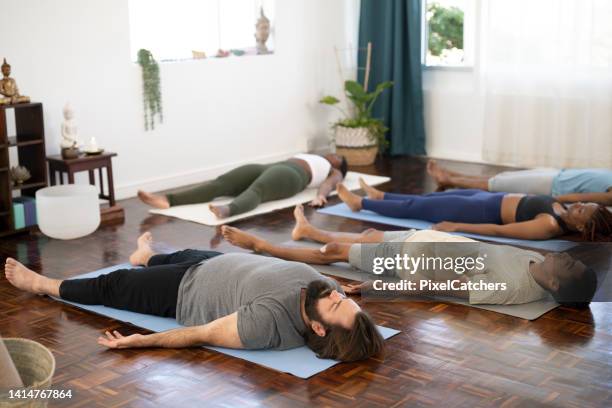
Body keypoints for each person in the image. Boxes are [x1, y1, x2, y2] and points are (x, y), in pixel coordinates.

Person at [3, 232, 383, 362]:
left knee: (112, 284)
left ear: (317, 326)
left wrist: (142, 342)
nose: (334, 293)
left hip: (183, 290)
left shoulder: (267, 325)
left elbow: (201, 334)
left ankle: (41, 284)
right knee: (171, 255)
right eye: (341, 296)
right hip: (212, 261)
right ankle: (145, 256)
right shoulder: (322, 291)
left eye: (335, 304)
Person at [220, 205, 598, 308]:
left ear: (554, 283)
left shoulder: (509, 287)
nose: (566, 257)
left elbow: (444, 288)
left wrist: (376, 290)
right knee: (366, 234)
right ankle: (310, 231)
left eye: (569, 264)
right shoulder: (536, 267)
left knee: (336, 254)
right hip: (429, 242)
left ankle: (264, 247)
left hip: (412, 259)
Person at [333, 178, 612, 241]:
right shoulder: (562, 207)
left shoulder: (549, 225)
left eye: (580, 211)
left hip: (479, 212)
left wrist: (456, 227)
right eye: (582, 204)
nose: (577, 205)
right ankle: (382, 194)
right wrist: (592, 203)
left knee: (418, 207)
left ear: (580, 227)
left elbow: (499, 230)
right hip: (486, 197)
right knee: (428, 198)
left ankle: (360, 204)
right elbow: (575, 197)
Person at [138, 153, 348, 219]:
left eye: (337, 157)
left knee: (257, 190)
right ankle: (168, 200)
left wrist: (321, 197)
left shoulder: (334, 171)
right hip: (270, 166)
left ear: (339, 165)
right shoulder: (313, 154)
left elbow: (329, 185)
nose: (332, 154)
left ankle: (229, 209)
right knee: (221, 183)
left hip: (292, 176)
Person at [427, 160, 612, 206]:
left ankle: (449, 179)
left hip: (551, 186)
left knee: (497, 184)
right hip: (558, 175)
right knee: (502, 178)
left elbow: (582, 197)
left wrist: (551, 200)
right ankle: (452, 177)